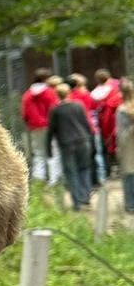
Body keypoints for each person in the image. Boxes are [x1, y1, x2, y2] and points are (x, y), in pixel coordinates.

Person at [45, 82, 94, 210]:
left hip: (66, 144)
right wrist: (91, 139)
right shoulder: (78, 105)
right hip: (83, 140)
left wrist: (48, 149)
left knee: (71, 172)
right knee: (84, 169)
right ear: (69, 93)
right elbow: (86, 124)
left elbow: (51, 130)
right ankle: (86, 196)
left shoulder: (55, 110)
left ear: (57, 95)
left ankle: (77, 202)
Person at [20, 67, 55, 180]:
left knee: (39, 153)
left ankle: (39, 179)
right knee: (52, 152)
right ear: (46, 79)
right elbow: (54, 109)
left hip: (34, 127)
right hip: (49, 125)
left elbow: (24, 114)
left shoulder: (27, 95)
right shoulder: (49, 92)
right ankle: (54, 180)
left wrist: (29, 123)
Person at [92, 69, 123, 175]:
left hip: (104, 119)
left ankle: (110, 167)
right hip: (117, 117)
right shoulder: (117, 85)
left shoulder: (96, 92)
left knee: (107, 143)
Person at [117, 78, 134, 215]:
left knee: (128, 173)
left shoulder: (121, 110)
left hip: (127, 143)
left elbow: (120, 131)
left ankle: (130, 204)